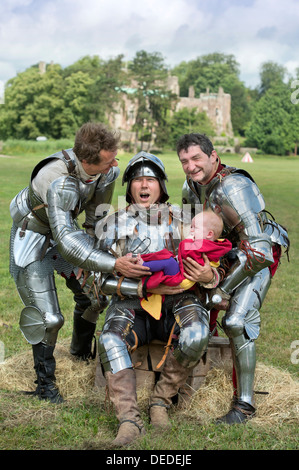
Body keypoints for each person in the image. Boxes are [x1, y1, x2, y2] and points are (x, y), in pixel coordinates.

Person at [9, 122, 149, 404]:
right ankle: (45, 385)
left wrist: (107, 251)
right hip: (33, 236)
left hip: (66, 234)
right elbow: (67, 244)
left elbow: (94, 221)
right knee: (49, 319)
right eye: (109, 161)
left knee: (94, 299)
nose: (114, 165)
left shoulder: (106, 172)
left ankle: (80, 355)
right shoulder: (54, 178)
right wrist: (113, 265)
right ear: (87, 161)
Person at [95, 151, 218, 447]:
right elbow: (95, 280)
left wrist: (208, 277)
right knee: (110, 340)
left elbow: (213, 262)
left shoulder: (186, 219)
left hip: (179, 300)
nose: (143, 184)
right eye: (137, 179)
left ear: (161, 185)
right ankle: (129, 418)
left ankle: (161, 401)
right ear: (129, 186)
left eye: (150, 178)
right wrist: (138, 288)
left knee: (198, 333)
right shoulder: (111, 223)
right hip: (131, 305)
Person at [177, 132, 290, 424]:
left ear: (213, 156)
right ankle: (196, 376)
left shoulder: (233, 187)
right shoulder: (191, 187)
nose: (191, 166)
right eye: (184, 161)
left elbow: (260, 250)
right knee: (194, 304)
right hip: (225, 253)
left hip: (256, 253)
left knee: (237, 321)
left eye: (196, 158)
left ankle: (245, 404)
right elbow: (194, 238)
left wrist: (220, 288)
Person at [133, 210, 232, 319]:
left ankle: (143, 265)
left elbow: (188, 252)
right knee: (165, 257)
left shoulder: (202, 244)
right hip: (181, 276)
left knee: (168, 261)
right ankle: (143, 265)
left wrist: (210, 276)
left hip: (183, 281)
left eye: (195, 227)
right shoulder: (210, 244)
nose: (191, 230)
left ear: (209, 234)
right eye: (191, 226)